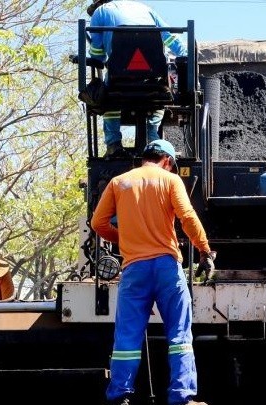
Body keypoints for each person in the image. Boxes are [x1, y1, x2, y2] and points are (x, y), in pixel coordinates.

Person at [91, 139, 214, 405]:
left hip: (134, 268)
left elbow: (98, 223)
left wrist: (124, 237)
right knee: (180, 335)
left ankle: (120, 395)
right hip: (167, 267)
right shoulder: (170, 181)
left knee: (127, 334)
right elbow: (188, 217)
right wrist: (204, 251)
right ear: (167, 162)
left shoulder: (119, 182)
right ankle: (181, 396)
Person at [87, 0, 188, 158]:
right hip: (154, 78)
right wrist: (187, 59)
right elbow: (170, 38)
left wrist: (98, 57)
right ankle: (152, 138)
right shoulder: (146, 10)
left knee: (107, 99)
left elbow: (97, 54)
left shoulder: (100, 12)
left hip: (118, 79)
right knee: (158, 97)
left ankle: (114, 145)